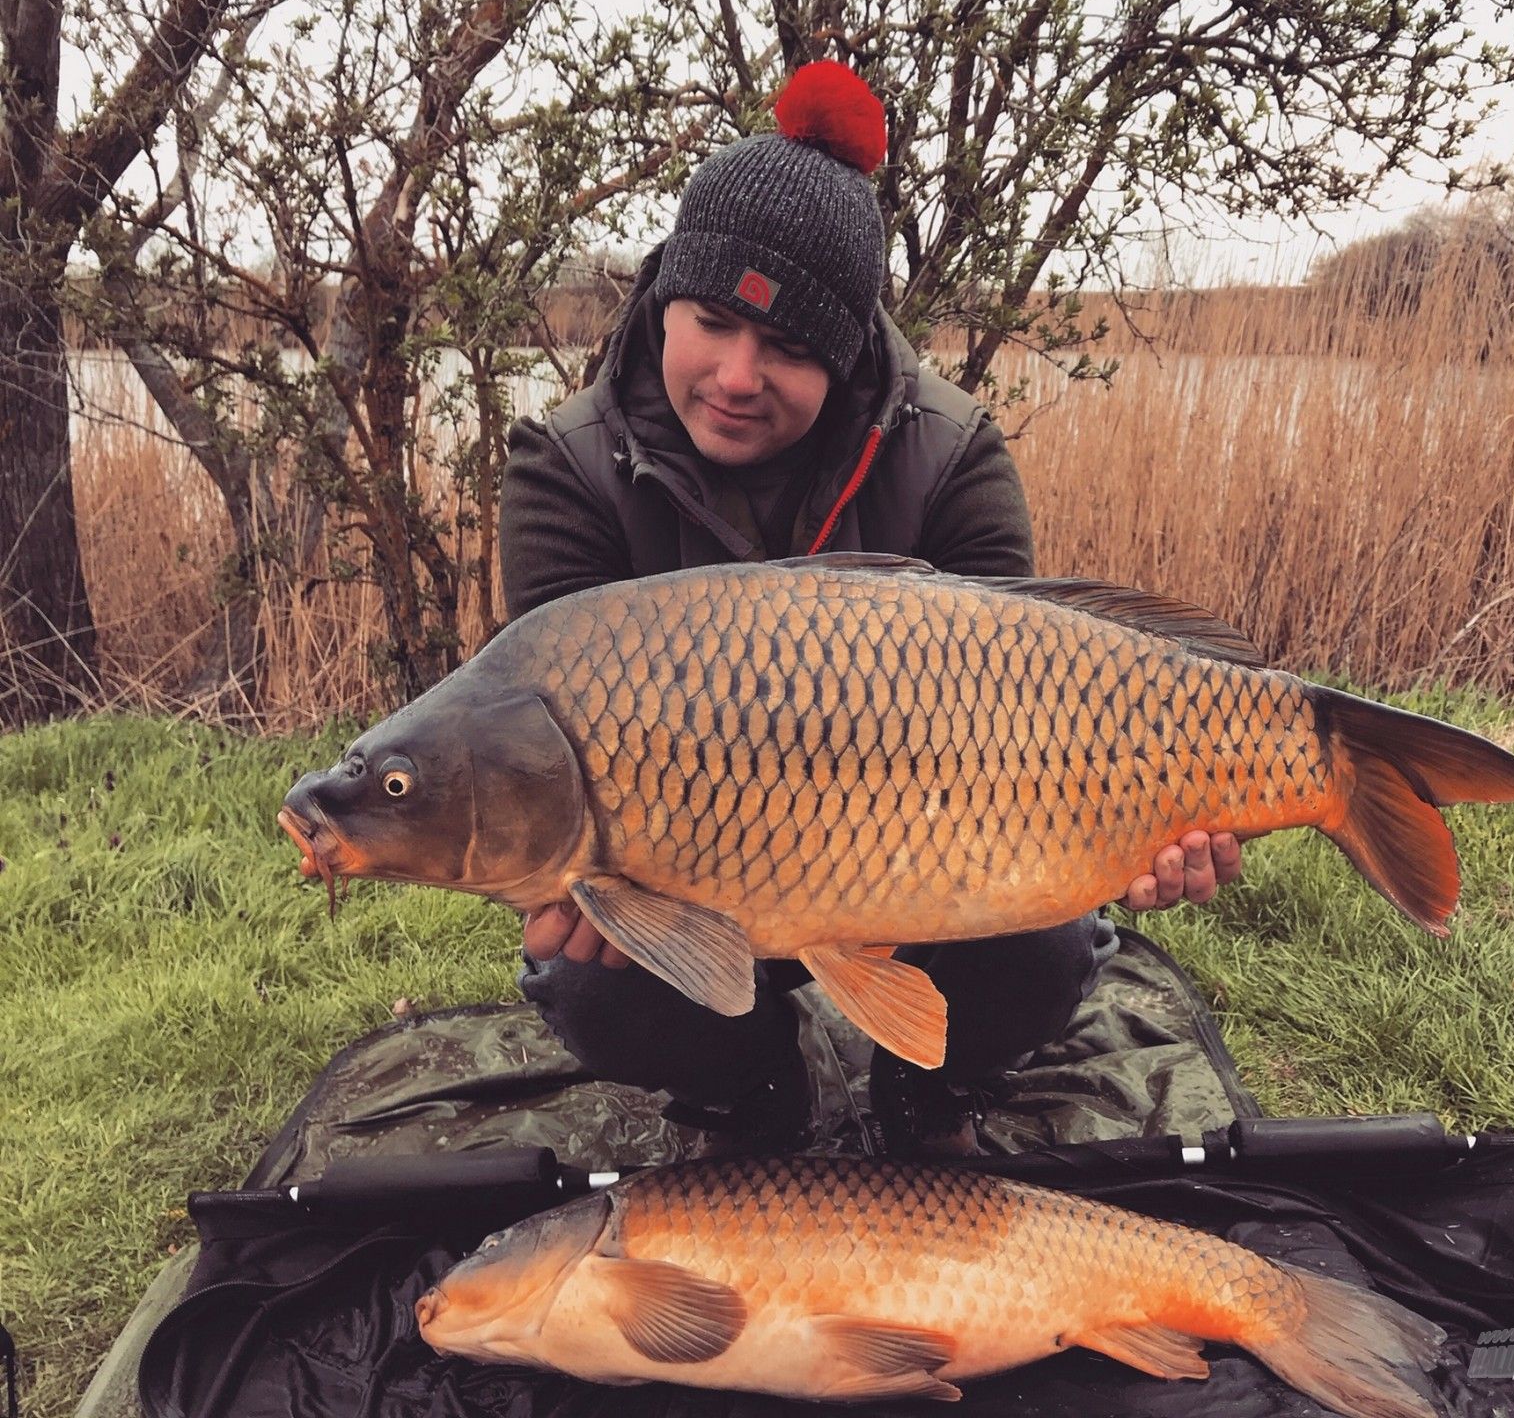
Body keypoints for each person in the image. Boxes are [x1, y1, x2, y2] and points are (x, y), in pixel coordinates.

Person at [498, 61, 1242, 1156]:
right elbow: (560, 723)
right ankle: (745, 1092)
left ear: (844, 357)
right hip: (690, 867)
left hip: (927, 848)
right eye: (711, 322)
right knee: (592, 976)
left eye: (789, 348)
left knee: (1043, 951)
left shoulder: (950, 455)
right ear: (663, 301)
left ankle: (925, 1082)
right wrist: (594, 886)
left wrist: (1135, 823)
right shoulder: (566, 467)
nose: (738, 374)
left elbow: (1030, 710)